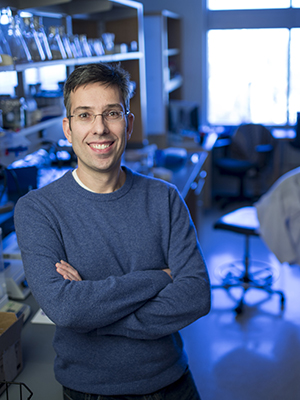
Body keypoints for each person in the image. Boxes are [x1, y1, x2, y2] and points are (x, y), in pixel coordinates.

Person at [14, 62, 211, 400]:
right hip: (91, 392)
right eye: (85, 115)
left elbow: (195, 296)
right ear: (68, 127)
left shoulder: (164, 197)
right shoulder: (37, 209)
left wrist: (93, 317)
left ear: (129, 123)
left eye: (112, 113)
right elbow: (65, 310)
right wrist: (160, 278)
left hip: (172, 383)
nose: (100, 129)